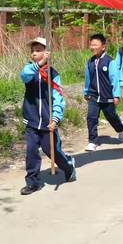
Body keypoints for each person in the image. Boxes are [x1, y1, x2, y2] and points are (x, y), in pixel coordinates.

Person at [20, 37, 76, 195]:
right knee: (31, 151)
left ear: (47, 52)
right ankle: (32, 182)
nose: (34, 54)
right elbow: (24, 76)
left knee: (52, 151)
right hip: (31, 120)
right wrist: (39, 64)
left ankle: (68, 166)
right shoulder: (29, 69)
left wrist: (56, 118)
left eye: (38, 50)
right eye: (32, 51)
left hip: (47, 121)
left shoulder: (53, 74)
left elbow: (58, 98)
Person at [83, 34, 123, 151]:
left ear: (103, 47)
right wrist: (86, 91)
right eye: (91, 45)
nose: (93, 47)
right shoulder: (90, 62)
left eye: (95, 45)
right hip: (93, 95)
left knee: (111, 116)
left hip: (107, 96)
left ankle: (121, 129)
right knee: (91, 117)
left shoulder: (109, 62)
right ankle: (93, 141)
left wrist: (116, 95)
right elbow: (88, 78)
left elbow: (114, 79)